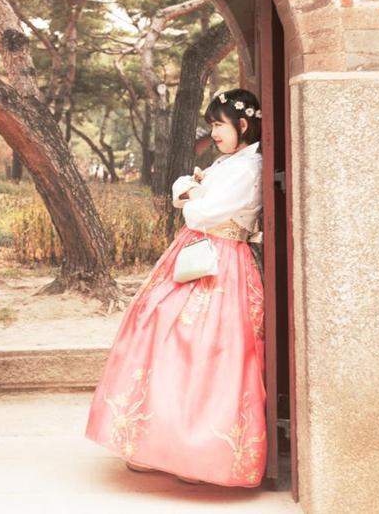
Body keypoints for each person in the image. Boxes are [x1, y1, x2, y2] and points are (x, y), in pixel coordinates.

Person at [85, 87, 267, 487]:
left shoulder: (249, 168)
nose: (214, 132)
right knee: (159, 331)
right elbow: (183, 191)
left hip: (223, 263)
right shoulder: (228, 162)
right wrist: (194, 193)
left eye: (220, 125)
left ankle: (196, 451)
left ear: (242, 124)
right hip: (199, 253)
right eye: (212, 125)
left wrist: (194, 196)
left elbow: (200, 210)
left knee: (205, 348)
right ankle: (156, 443)